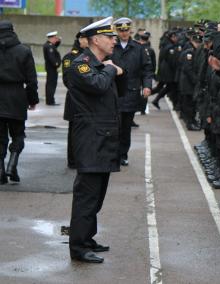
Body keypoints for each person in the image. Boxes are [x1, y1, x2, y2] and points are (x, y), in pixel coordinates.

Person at [68, 17, 124, 263]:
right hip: (91, 140)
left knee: (97, 195)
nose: (114, 40)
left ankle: (87, 238)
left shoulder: (99, 64)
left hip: (104, 140)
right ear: (95, 39)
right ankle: (78, 247)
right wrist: (111, 69)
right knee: (86, 197)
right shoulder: (80, 65)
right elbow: (99, 85)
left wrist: (110, 68)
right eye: (109, 36)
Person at [0, 20, 38, 184]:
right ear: (13, 31)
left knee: (0, 137)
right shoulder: (24, 51)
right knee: (18, 134)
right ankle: (12, 164)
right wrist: (32, 100)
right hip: (17, 97)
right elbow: (31, 80)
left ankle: (2, 172)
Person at [112, 17, 154, 166]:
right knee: (112, 126)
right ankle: (112, 154)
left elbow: (147, 69)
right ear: (117, 31)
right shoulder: (112, 46)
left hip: (130, 92)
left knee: (125, 127)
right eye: (121, 30)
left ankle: (123, 154)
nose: (124, 33)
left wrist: (147, 85)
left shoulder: (138, 48)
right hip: (113, 92)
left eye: (126, 30)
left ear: (130, 30)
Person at [62, 32, 88, 169]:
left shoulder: (91, 55)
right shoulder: (70, 57)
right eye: (84, 38)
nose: (87, 40)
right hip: (75, 99)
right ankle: (72, 160)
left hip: (89, 101)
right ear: (79, 39)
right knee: (74, 132)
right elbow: (67, 80)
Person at [43, 30, 61, 105]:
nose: (56, 39)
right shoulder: (49, 46)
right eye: (55, 38)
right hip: (51, 68)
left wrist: (59, 41)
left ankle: (50, 100)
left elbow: (56, 46)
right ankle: (50, 101)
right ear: (51, 38)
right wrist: (56, 65)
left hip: (51, 68)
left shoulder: (50, 45)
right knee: (51, 84)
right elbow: (52, 58)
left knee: (51, 84)